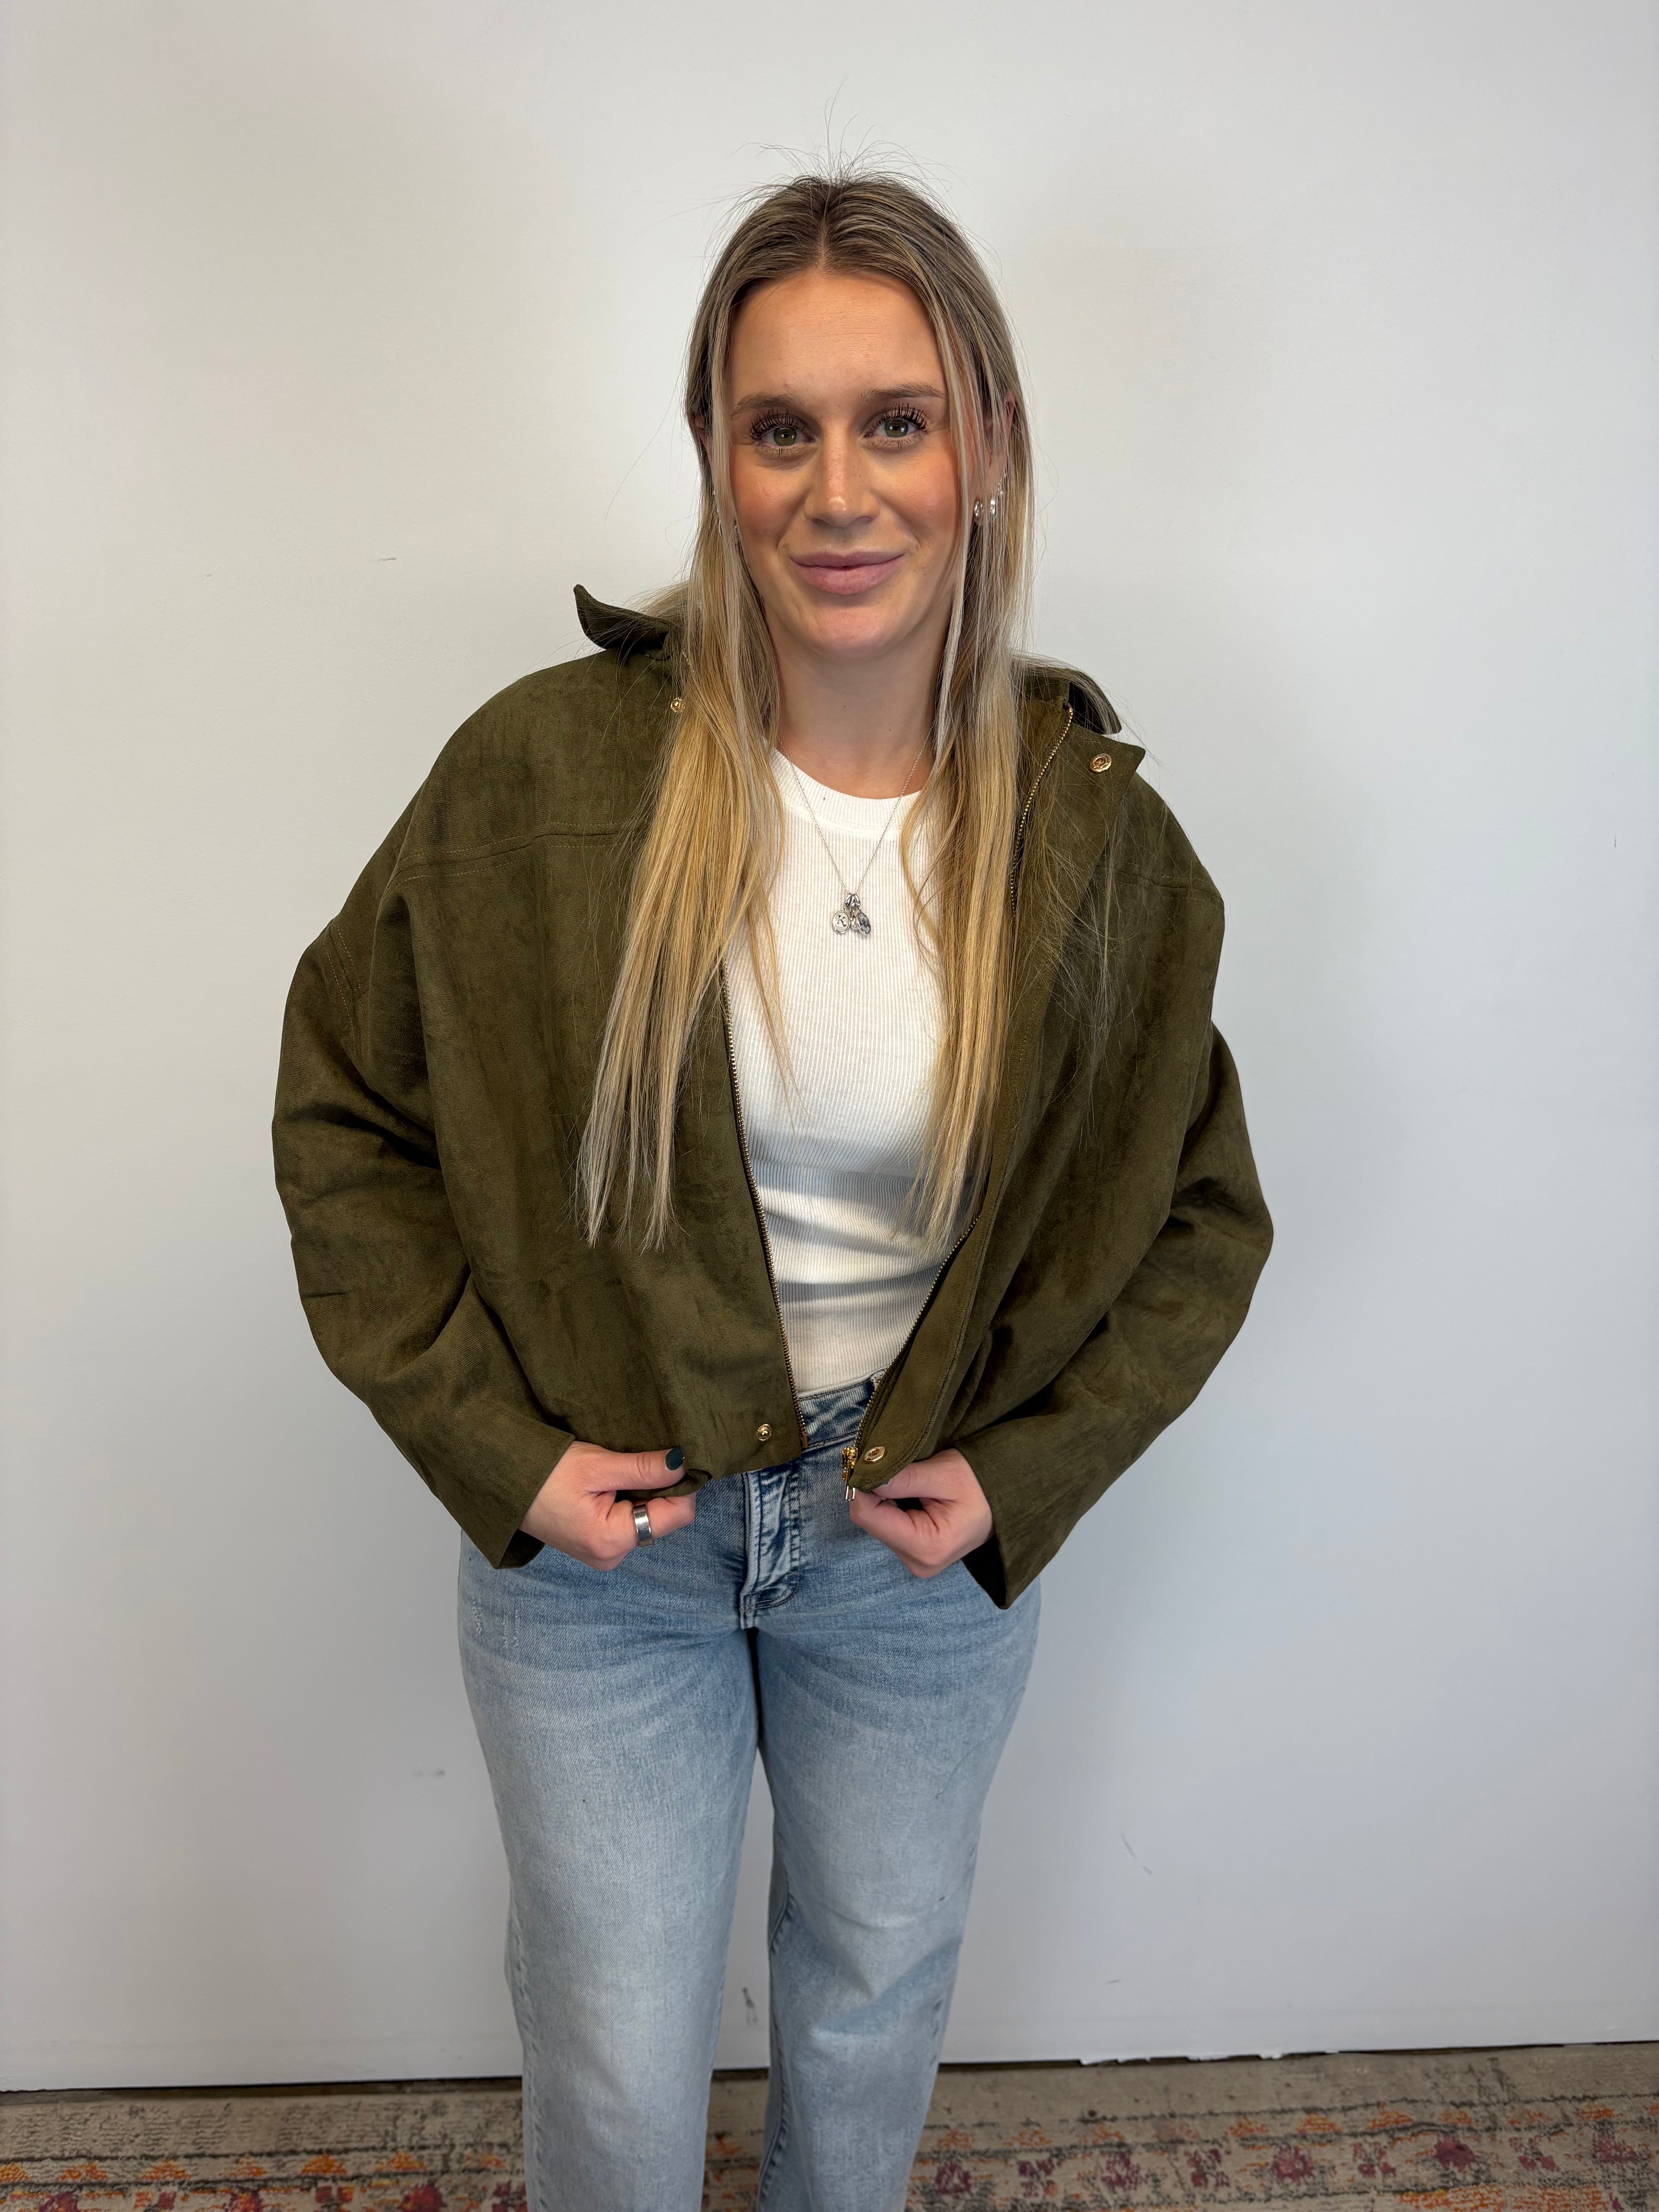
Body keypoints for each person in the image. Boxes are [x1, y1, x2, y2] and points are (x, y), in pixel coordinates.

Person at [273, 168, 1272, 2212]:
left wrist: (1029, 1472)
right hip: (605, 1559)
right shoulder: (540, 781)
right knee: (616, 2046)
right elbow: (348, 1116)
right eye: (778, 428)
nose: (841, 490)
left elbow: (1201, 1213)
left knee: (870, 2002)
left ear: (987, 446)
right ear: (715, 456)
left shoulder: (1097, 845)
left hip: (905, 1555)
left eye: (898, 421)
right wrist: (503, 1454)